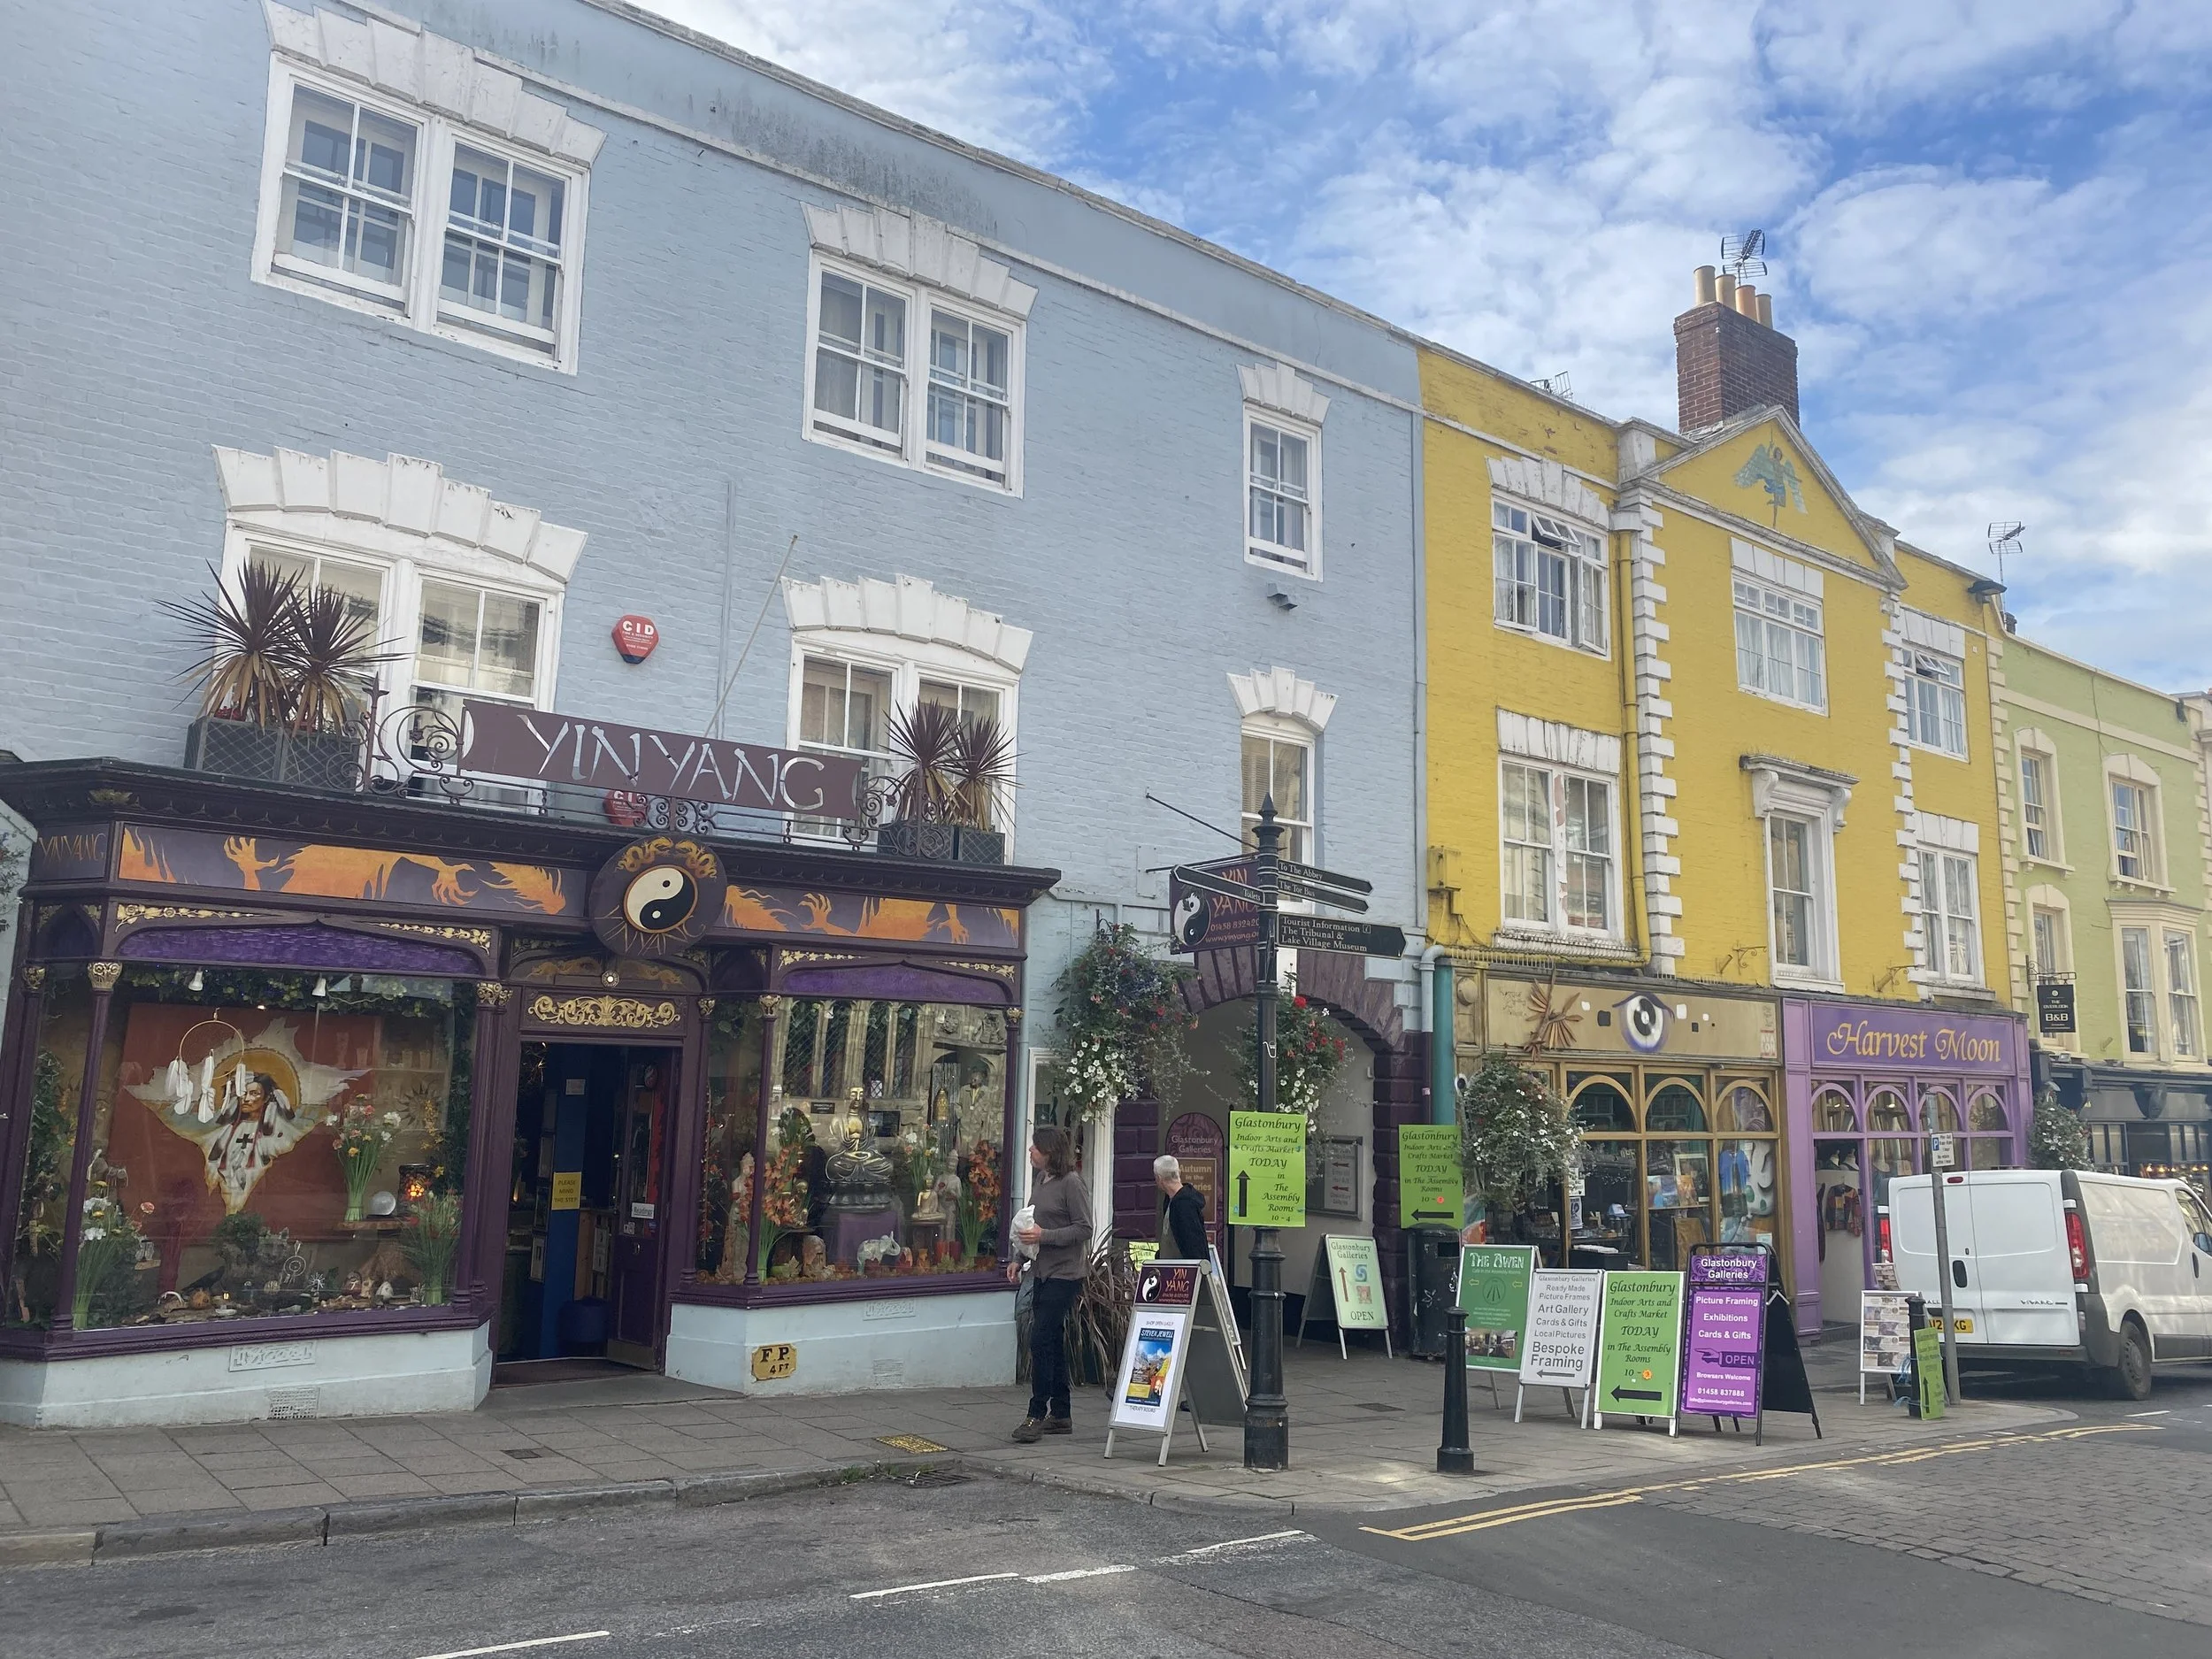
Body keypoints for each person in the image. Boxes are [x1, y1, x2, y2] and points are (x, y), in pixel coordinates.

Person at [1006, 1125, 1091, 1442]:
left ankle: (1036, 1413)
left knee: (1040, 1338)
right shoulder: (1041, 1181)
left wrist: (1047, 1237)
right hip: (1041, 1270)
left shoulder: (1072, 1183)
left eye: (1035, 1148)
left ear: (1050, 1152)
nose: (1030, 1151)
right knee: (1051, 1340)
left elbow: (1084, 1228)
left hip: (1066, 1274)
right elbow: (1031, 1222)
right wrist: (1018, 1257)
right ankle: (1062, 1414)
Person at [1154, 1155, 1208, 1260]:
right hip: (1176, 1270)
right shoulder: (1173, 1200)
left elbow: (1194, 1249)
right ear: (1179, 1172)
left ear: (1159, 1179)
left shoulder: (1184, 1205)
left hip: (1182, 1273)